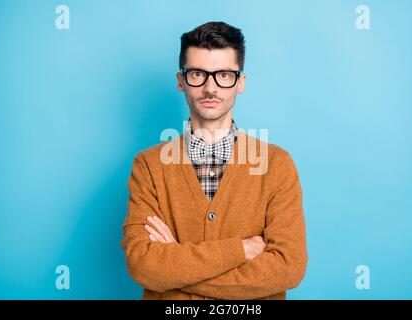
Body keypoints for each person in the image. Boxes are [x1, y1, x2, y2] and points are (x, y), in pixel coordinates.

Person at [121, 21, 308, 300]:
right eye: (198, 74)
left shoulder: (277, 165)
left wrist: (175, 271)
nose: (211, 88)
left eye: (223, 74)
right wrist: (241, 250)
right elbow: (143, 266)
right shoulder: (148, 166)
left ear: (240, 82)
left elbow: (288, 268)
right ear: (181, 81)